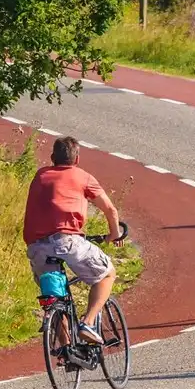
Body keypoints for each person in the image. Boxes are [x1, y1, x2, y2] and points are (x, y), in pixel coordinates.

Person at [23, 136, 123, 346]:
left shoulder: (40, 175)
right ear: (77, 159)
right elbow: (110, 210)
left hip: (36, 247)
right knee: (106, 274)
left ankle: (67, 349)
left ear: (52, 158)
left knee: (54, 298)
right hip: (67, 241)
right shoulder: (83, 176)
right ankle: (87, 323)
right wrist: (113, 234)